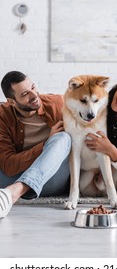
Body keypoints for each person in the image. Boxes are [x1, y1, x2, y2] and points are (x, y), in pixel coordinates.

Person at [0, 71, 71, 219]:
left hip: (51, 179)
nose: (34, 95)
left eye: (33, 87)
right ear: (11, 101)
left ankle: (15, 192)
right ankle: (14, 190)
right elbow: (8, 165)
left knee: (63, 137)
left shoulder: (58, 104)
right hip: (14, 176)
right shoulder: (2, 117)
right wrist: (45, 145)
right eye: (25, 93)